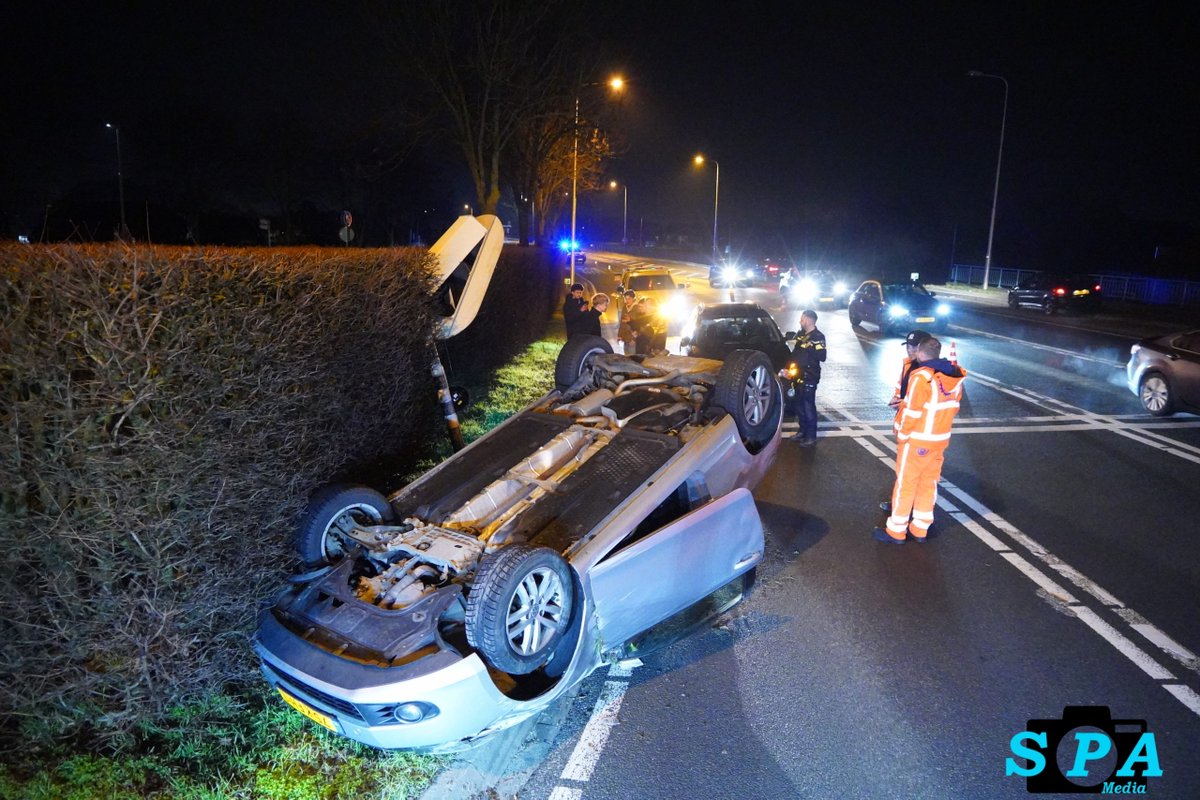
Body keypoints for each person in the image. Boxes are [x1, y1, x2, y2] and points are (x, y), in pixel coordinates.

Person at [874, 336, 967, 544]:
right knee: (928, 484)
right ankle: (920, 529)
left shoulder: (922, 377)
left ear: (921, 353)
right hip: (939, 440)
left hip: (917, 441)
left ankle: (896, 531)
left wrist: (902, 434)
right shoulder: (954, 377)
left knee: (906, 485)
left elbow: (913, 412)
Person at [880, 329, 931, 513]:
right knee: (904, 475)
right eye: (908, 346)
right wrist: (897, 399)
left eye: (914, 346)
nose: (910, 350)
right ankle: (900, 505)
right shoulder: (909, 364)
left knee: (913, 477)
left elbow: (923, 402)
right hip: (907, 425)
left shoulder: (928, 371)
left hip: (917, 431)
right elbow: (902, 389)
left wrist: (905, 406)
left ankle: (906, 513)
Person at [789, 309, 826, 446]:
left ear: (809, 320)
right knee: (799, 405)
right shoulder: (801, 335)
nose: (800, 321)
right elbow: (795, 354)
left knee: (808, 405)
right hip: (798, 375)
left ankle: (811, 436)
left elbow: (822, 356)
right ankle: (802, 431)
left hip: (810, 375)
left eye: (802, 318)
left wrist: (809, 348)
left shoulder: (818, 336)